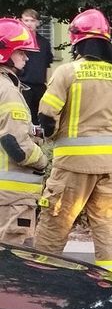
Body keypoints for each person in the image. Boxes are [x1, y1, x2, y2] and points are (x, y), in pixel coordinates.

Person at [34, 8, 112, 274]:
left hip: (72, 165)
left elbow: (47, 116)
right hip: (109, 166)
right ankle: (111, 284)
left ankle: (40, 280)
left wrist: (50, 137)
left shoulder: (67, 72)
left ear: (77, 40)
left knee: (54, 225)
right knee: (108, 227)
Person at [0, 18, 48, 245]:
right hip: (12, 198)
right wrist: (42, 160)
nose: (26, 58)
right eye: (21, 52)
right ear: (5, 52)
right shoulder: (8, 91)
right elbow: (15, 144)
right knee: (14, 267)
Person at [17, 9, 54, 124]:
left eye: (32, 20)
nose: (29, 23)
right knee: (24, 118)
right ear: (21, 21)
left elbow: (47, 65)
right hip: (23, 85)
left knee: (40, 117)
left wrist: (49, 85)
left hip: (40, 87)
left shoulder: (44, 43)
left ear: (37, 22)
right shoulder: (17, 42)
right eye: (26, 20)